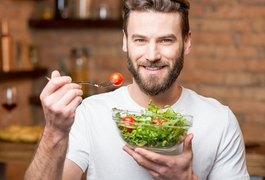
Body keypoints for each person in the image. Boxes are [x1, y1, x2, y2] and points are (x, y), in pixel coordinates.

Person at [24, 0, 250, 179]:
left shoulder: (220, 120)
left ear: (187, 42)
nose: (152, 55)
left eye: (166, 40)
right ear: (125, 42)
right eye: (140, 40)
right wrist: (54, 131)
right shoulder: (88, 114)